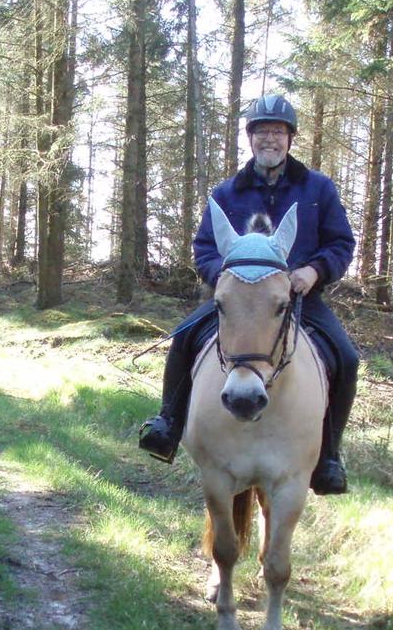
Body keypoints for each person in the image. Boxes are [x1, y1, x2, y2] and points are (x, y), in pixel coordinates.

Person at [138, 94, 359, 494]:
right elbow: (205, 247)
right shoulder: (227, 193)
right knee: (185, 337)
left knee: (346, 357)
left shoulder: (318, 189)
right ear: (251, 138)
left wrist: (314, 269)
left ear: (290, 138)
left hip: (297, 300)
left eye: (277, 131)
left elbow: (341, 242)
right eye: (261, 132)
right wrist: (221, 279)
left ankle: (329, 456)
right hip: (236, 303)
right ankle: (167, 424)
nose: (269, 140)